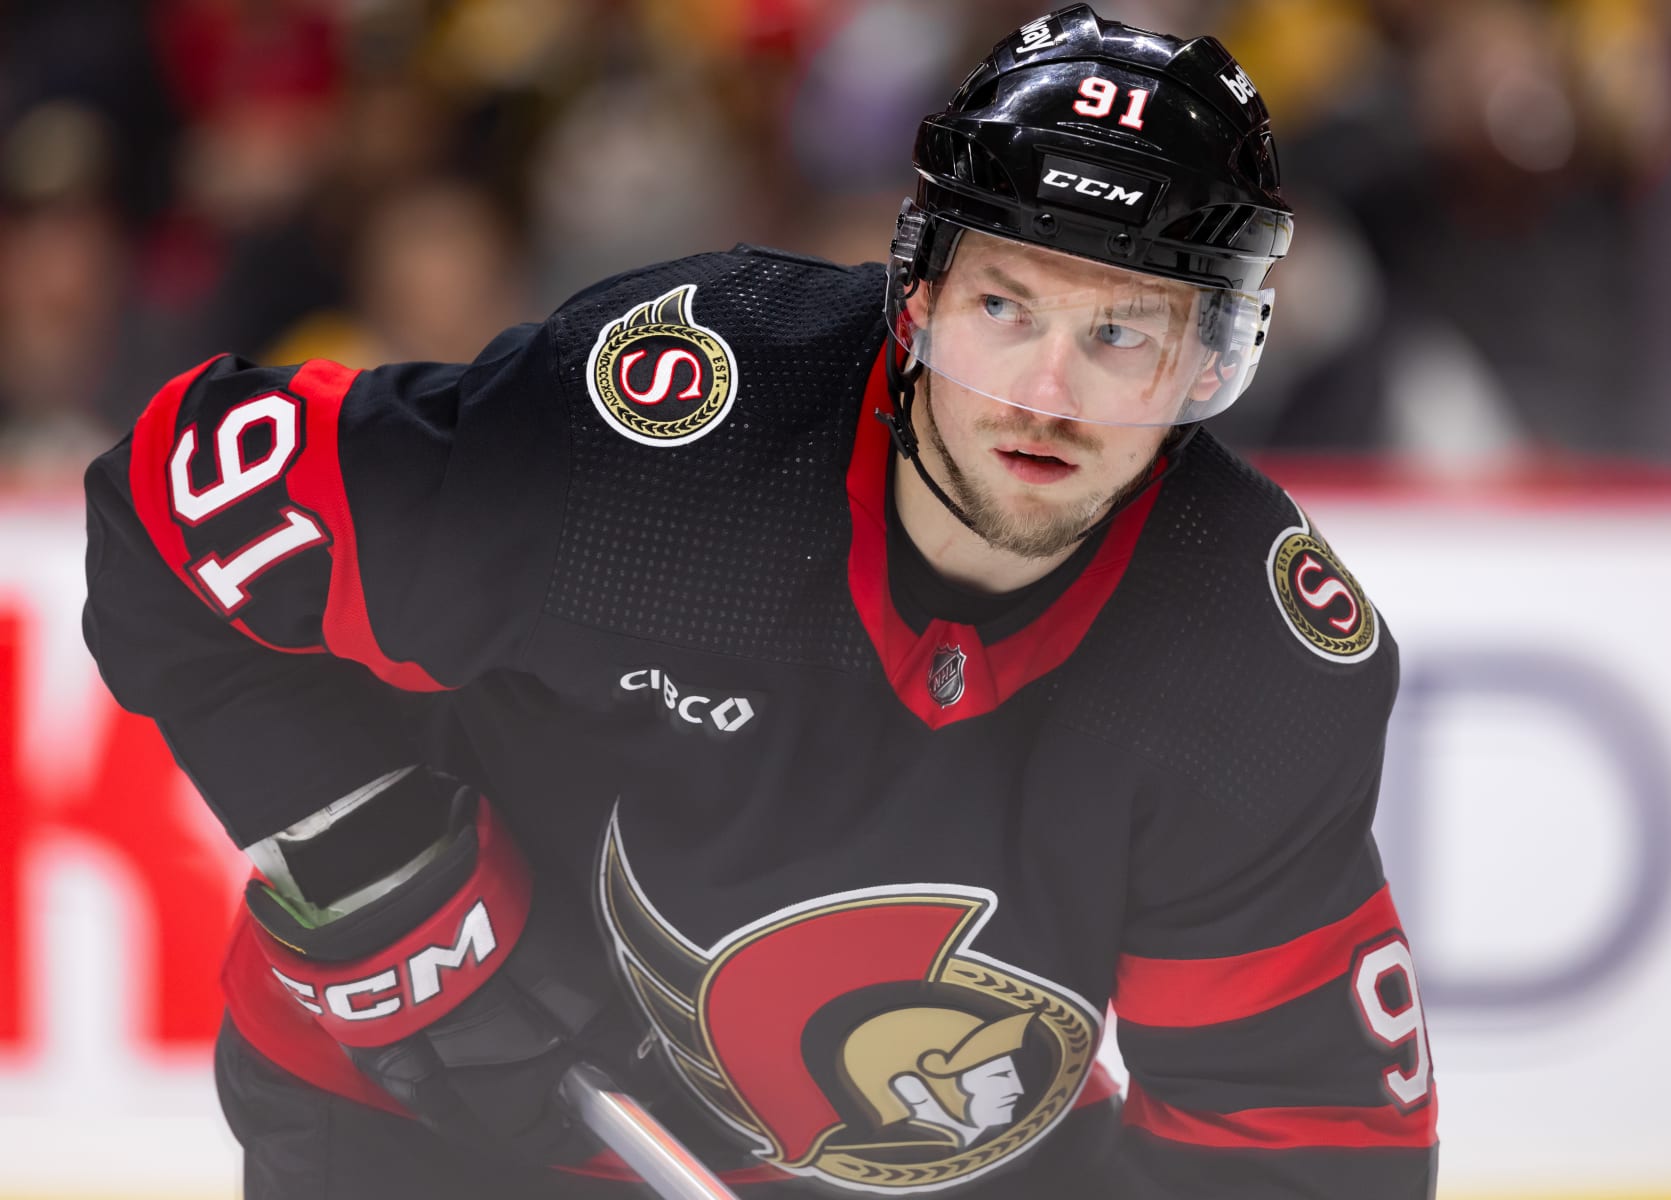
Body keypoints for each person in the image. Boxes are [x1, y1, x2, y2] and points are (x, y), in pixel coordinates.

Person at [82, 6, 1438, 1197]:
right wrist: (374, 869)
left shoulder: (1255, 666)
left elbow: (1300, 1150)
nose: (1047, 395)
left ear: (1211, 360)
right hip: (432, 1127)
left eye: (1123, 335)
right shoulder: (665, 444)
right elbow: (164, 502)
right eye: (1006, 309)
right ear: (919, 294)